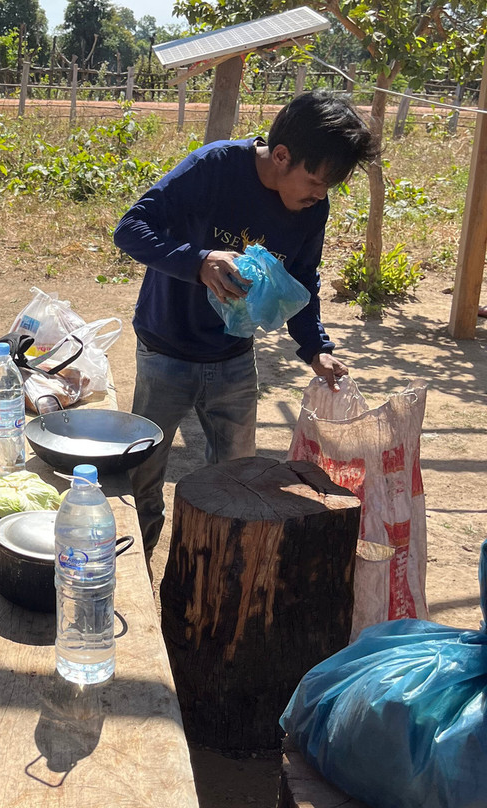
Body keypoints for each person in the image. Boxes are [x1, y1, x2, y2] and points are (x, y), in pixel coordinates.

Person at [113, 90, 379, 563]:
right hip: (165, 350)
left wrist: (315, 347)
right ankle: (134, 568)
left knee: (237, 482)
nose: (319, 196)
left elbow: (301, 281)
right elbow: (131, 228)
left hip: (233, 360)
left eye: (328, 188)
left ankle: (221, 578)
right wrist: (198, 262)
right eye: (314, 182)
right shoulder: (213, 168)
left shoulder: (313, 208)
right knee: (142, 477)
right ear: (281, 156)